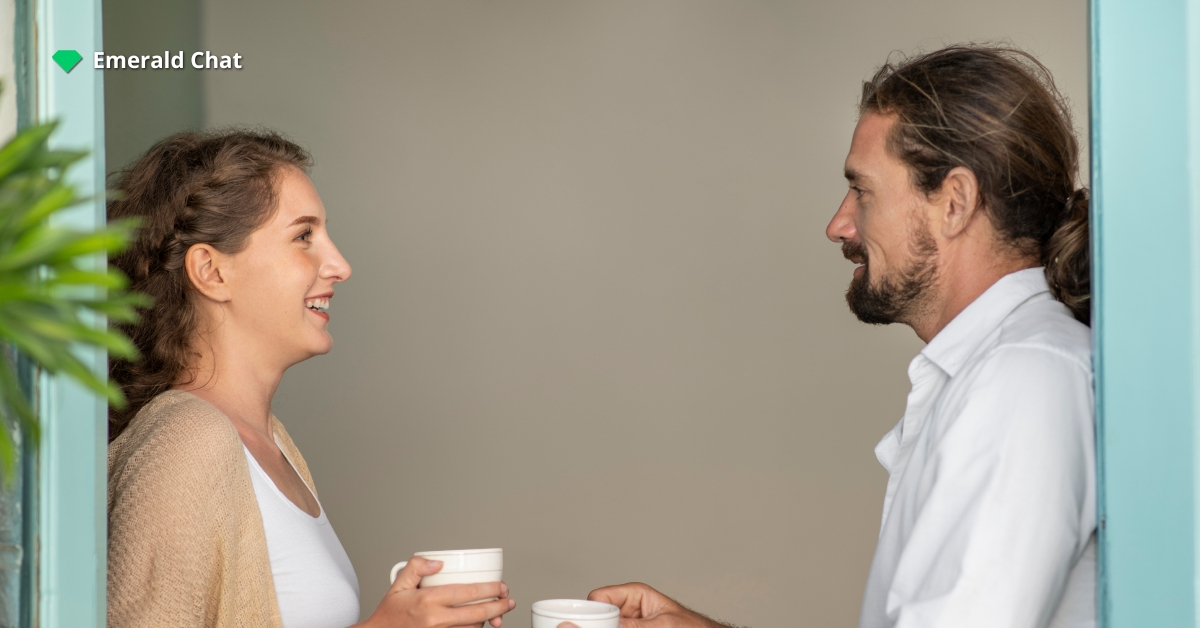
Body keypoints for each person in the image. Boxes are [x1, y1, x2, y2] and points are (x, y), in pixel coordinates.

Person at [581, 45, 1095, 628]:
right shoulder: (997, 372)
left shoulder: (1024, 381)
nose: (838, 225)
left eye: (863, 190)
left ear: (954, 202)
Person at [106, 130, 517, 628]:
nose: (340, 265)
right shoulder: (187, 441)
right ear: (211, 271)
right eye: (304, 236)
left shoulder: (272, 445)